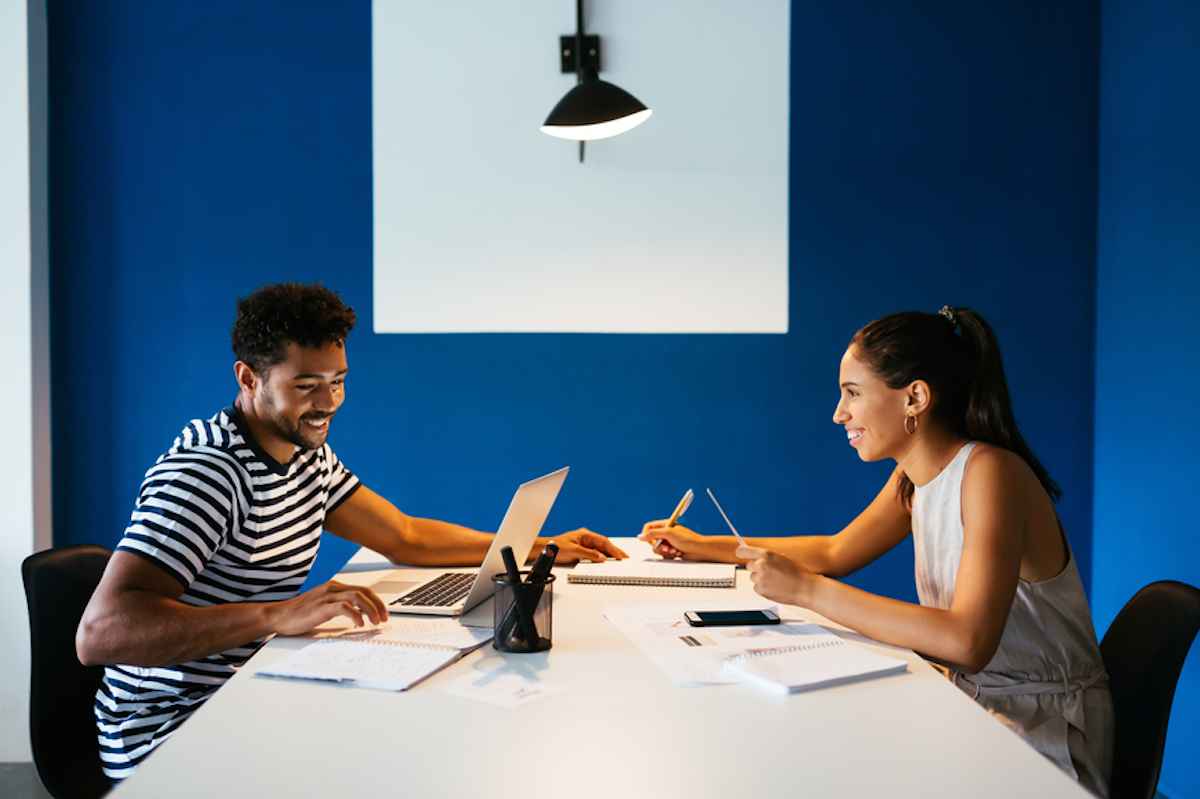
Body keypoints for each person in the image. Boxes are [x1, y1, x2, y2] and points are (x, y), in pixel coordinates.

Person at [76, 283, 626, 782]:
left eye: (338, 381)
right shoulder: (208, 474)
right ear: (248, 378)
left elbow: (404, 536)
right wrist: (275, 615)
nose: (329, 402)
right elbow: (100, 634)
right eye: (307, 385)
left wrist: (534, 546)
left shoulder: (302, 453)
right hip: (173, 731)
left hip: (253, 692)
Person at [640, 306, 1113, 797]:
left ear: (915, 398)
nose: (839, 413)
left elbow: (968, 642)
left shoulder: (991, 474)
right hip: (978, 709)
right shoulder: (914, 476)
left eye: (853, 393)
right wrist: (710, 547)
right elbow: (834, 550)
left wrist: (807, 591)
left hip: (1041, 738)